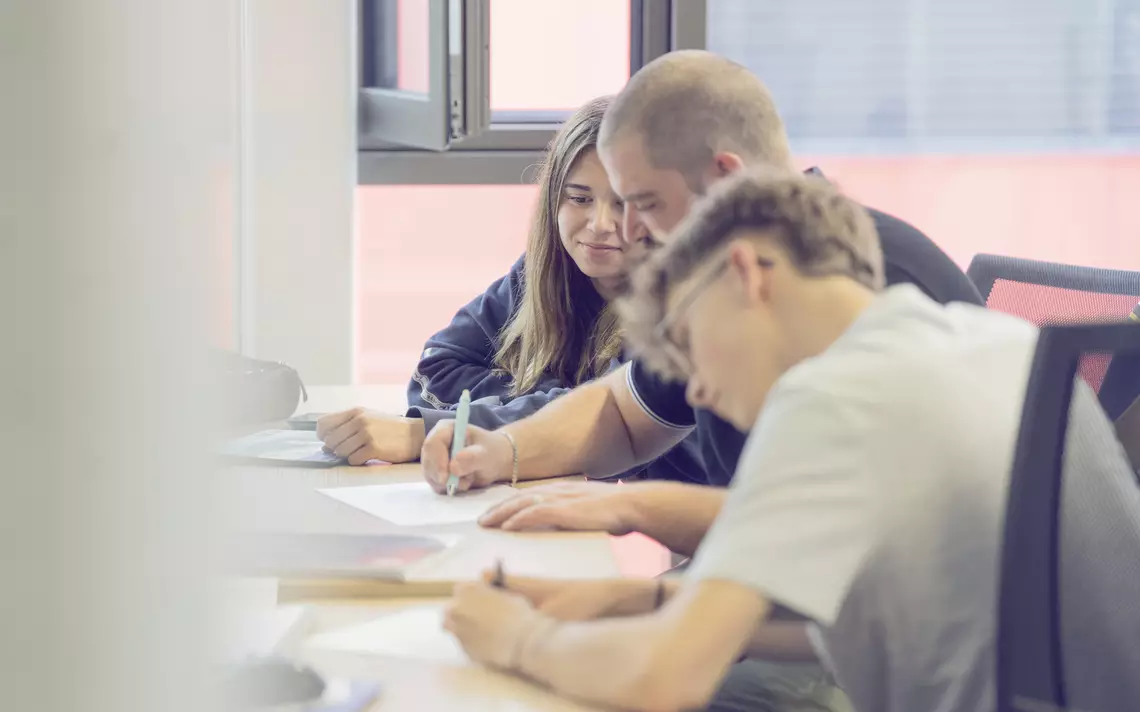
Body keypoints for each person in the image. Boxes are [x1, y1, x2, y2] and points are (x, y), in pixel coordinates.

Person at [442, 169, 1140, 712]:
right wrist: (633, 601)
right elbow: (900, 616)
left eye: (686, 345)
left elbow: (665, 679)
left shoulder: (832, 395)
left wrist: (516, 638)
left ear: (745, 273)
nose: (699, 392)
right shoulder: (983, 337)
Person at [316, 96, 701, 482]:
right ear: (553, 199)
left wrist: (429, 432)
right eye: (579, 198)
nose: (600, 223)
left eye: (623, 203)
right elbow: (435, 373)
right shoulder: (541, 274)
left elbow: (611, 422)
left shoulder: (682, 303)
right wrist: (554, 400)